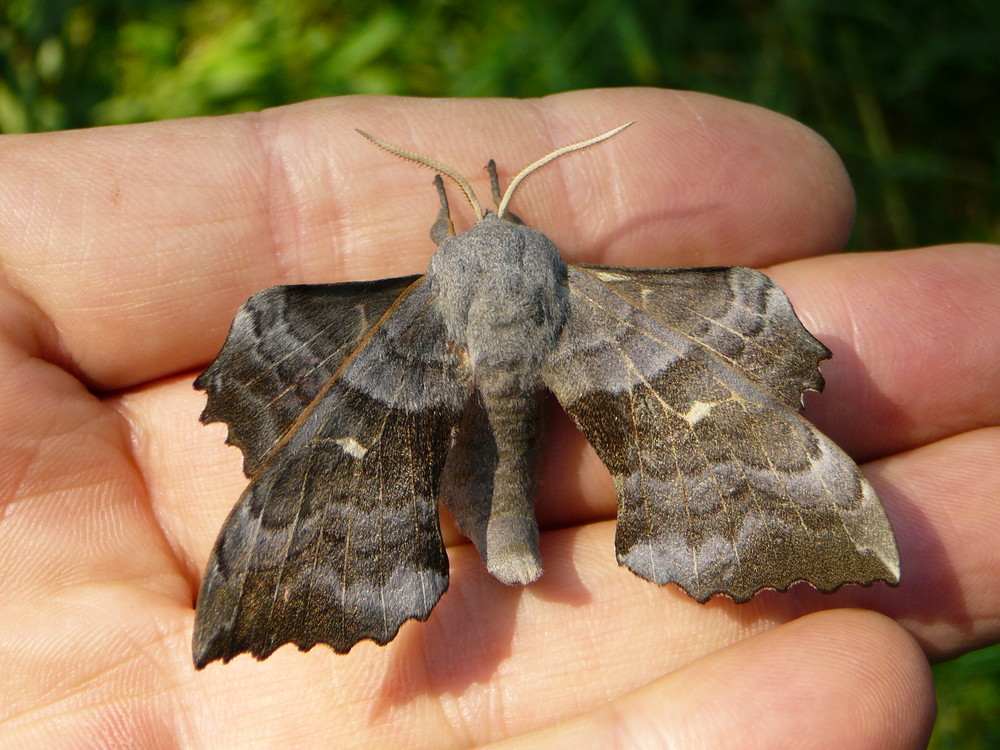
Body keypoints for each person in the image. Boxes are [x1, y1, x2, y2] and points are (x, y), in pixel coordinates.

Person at [1, 88, 995, 748]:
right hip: (604, 349)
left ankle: (346, 564)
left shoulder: (415, 293)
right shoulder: (592, 294)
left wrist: (449, 222)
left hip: (410, 382)